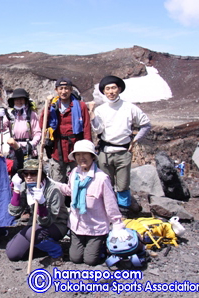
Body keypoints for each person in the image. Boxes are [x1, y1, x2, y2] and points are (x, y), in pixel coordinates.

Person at [56, 140, 128, 266]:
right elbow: (69, 190)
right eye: (78, 154)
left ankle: (101, 244)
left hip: (95, 227)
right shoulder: (74, 173)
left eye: (85, 154)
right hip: (77, 226)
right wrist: (51, 184)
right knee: (75, 258)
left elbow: (110, 204)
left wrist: (117, 225)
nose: (81, 158)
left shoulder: (101, 178)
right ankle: (87, 245)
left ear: (92, 156)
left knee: (90, 260)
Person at [89, 75, 151, 214]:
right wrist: (92, 116)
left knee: (123, 185)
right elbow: (98, 130)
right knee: (106, 184)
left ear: (119, 89)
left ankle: (123, 212)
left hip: (123, 152)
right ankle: (107, 211)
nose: (111, 92)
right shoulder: (101, 110)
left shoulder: (130, 108)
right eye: (107, 89)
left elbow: (146, 124)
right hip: (105, 152)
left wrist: (135, 140)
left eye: (113, 88)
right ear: (104, 92)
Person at [6, 159, 69, 267]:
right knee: (13, 253)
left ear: (42, 175)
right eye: (25, 173)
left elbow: (48, 221)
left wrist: (41, 204)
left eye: (33, 173)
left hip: (56, 224)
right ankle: (40, 243)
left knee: (32, 233)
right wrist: (16, 190)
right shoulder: (25, 187)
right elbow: (14, 212)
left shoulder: (53, 190)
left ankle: (56, 252)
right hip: (35, 225)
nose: (29, 177)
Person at [40, 78, 92, 183]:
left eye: (66, 88)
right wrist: (48, 108)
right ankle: (59, 199)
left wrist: (88, 149)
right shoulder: (52, 106)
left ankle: (77, 199)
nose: (64, 91)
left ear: (71, 89)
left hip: (76, 148)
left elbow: (86, 127)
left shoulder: (81, 106)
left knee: (78, 179)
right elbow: (42, 125)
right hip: (57, 149)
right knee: (57, 181)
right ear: (56, 90)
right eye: (61, 88)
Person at [0, 88, 41, 159]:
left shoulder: (31, 114)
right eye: (16, 99)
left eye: (21, 99)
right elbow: (1, 128)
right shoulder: (11, 115)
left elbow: (37, 133)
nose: (19, 101)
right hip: (14, 149)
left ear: (25, 101)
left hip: (29, 150)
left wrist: (32, 144)